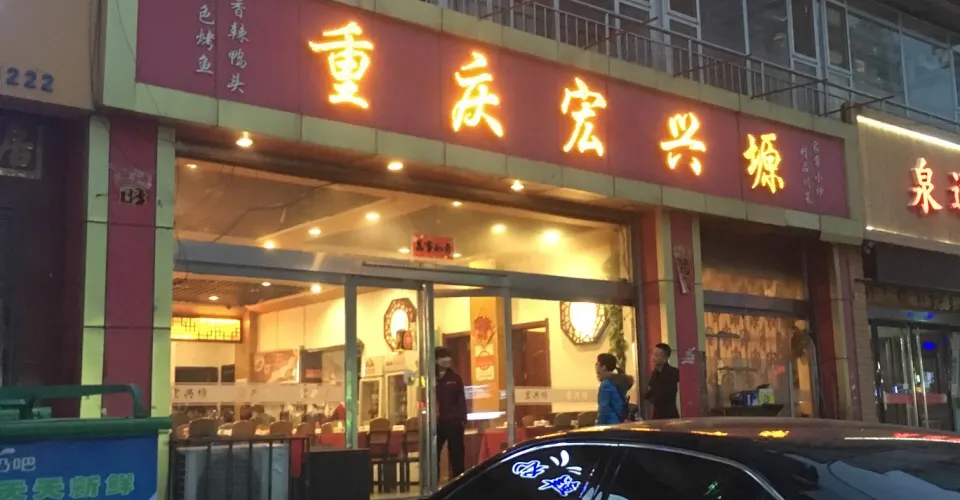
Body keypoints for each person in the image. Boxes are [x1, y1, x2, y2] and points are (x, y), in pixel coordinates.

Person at [435, 346, 467, 478]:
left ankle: (458, 480)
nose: (448, 359)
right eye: (443, 357)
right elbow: (422, 395)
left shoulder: (455, 378)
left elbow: (461, 400)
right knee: (433, 453)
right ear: (436, 360)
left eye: (449, 357)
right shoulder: (429, 378)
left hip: (454, 421)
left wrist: (462, 419)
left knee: (457, 453)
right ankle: (433, 481)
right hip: (436, 422)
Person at [595, 353, 635, 425]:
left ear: (603, 367)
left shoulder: (605, 384)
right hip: (620, 421)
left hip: (610, 423)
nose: (595, 366)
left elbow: (603, 408)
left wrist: (598, 425)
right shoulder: (617, 382)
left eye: (597, 364)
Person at [644, 343, 680, 419]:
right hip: (656, 415)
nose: (653, 358)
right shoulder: (655, 373)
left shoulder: (673, 373)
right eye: (653, 354)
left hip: (670, 416)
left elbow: (663, 394)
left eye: (657, 355)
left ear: (665, 358)